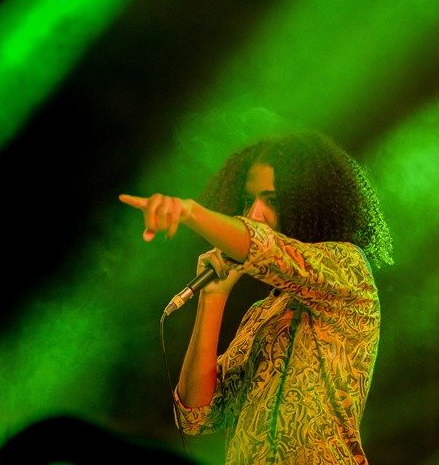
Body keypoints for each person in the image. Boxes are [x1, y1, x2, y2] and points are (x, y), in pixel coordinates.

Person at [119, 131, 393, 463]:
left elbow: (265, 247)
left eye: (272, 201)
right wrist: (213, 298)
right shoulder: (260, 314)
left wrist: (190, 212)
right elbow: (195, 415)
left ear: (310, 203)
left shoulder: (348, 269)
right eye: (248, 200)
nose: (253, 214)